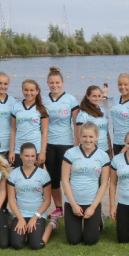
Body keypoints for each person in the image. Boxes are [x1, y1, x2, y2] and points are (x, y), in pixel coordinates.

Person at [61, 122, 110, 246]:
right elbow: (65, 180)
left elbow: (104, 183)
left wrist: (93, 207)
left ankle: (98, 220)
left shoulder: (103, 156)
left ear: (97, 137)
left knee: (90, 241)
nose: (88, 140)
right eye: (84, 136)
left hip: (92, 202)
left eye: (91, 136)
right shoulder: (70, 153)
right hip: (73, 202)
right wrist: (73, 205)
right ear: (80, 136)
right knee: (73, 240)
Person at [44, 67, 80, 227]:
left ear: (62, 83)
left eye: (57, 82)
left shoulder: (71, 99)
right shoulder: (42, 100)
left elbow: (77, 124)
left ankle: (73, 204)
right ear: (47, 83)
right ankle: (58, 208)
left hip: (66, 143)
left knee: (70, 178)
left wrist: (76, 144)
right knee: (53, 178)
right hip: (49, 144)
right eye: (51, 83)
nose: (54, 85)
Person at [6, 142, 52, 250]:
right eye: (27, 156)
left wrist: (35, 217)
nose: (30, 159)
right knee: (16, 244)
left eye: (33, 156)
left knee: (36, 244)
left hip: (37, 214)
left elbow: (47, 200)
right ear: (20, 155)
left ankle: (52, 224)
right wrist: (20, 219)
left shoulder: (43, 174)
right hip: (20, 213)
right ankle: (27, 233)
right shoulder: (13, 174)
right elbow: (11, 200)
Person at [9, 80, 49, 168]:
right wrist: (11, 151)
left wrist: (43, 152)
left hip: (36, 149)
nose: (29, 93)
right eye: (26, 90)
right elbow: (13, 130)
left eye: (32, 90)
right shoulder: (16, 107)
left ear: (37, 91)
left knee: (35, 175)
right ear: (22, 90)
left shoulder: (42, 109)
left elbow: (45, 132)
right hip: (19, 149)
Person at [75, 85, 111, 156]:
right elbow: (79, 137)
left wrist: (110, 150)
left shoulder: (104, 112)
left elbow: (107, 133)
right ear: (87, 96)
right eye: (94, 96)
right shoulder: (83, 114)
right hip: (91, 151)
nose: (97, 98)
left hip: (105, 150)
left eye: (99, 96)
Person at [109, 73, 129, 156]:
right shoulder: (115, 99)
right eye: (120, 84)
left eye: (125, 84)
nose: (122, 87)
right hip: (116, 141)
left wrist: (127, 147)